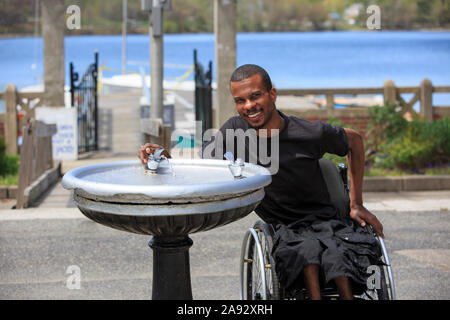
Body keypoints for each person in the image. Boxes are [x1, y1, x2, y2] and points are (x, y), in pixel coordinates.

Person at [138, 64, 384, 300]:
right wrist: (163, 156)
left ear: (272, 94)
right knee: (305, 253)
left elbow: (355, 141)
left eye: (256, 96)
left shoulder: (308, 133)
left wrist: (357, 203)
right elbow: (202, 167)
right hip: (283, 226)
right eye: (240, 101)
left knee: (338, 256)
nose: (249, 106)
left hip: (326, 219)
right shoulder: (234, 133)